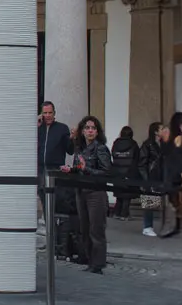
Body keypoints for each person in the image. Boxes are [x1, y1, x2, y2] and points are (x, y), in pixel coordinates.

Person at [62, 115, 111, 273]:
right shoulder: (80, 148)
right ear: (82, 131)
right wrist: (72, 169)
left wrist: (86, 169)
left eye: (93, 128)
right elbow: (79, 166)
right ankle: (88, 259)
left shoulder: (101, 148)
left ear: (97, 132)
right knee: (84, 227)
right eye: (87, 128)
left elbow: (106, 172)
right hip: (81, 190)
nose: (90, 131)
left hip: (95, 192)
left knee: (96, 229)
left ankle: (97, 264)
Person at [157, 112, 182, 238]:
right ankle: (166, 226)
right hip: (171, 172)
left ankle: (172, 225)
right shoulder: (170, 137)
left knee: (174, 199)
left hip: (177, 172)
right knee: (169, 199)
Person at [37, 101, 73, 221]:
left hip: (55, 169)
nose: (47, 115)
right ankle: (48, 225)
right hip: (40, 169)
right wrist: (35, 126)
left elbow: (70, 150)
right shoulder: (37, 128)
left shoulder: (62, 128)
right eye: (45, 113)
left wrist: (73, 139)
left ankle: (57, 228)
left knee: (57, 200)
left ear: (54, 113)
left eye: (50, 113)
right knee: (43, 198)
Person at [138, 121, 165, 237]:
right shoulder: (148, 144)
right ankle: (147, 227)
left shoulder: (163, 144)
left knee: (159, 202)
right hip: (150, 177)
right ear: (156, 131)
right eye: (162, 129)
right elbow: (142, 164)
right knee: (149, 202)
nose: (164, 131)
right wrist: (146, 180)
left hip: (160, 177)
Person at [109, 124, 139, 219]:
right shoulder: (133, 144)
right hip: (129, 172)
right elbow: (136, 159)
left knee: (119, 194)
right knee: (127, 195)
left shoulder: (116, 143)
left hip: (117, 172)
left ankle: (116, 213)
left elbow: (113, 155)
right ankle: (124, 214)